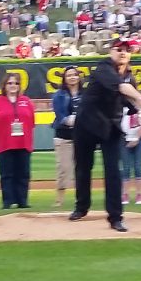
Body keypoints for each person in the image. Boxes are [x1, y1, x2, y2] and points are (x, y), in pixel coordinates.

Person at [69, 39, 141, 232]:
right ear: (111, 51)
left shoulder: (129, 76)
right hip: (86, 123)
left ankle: (115, 217)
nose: (123, 52)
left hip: (110, 127)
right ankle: (81, 207)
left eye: (127, 50)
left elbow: (127, 101)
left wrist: (136, 109)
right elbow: (121, 89)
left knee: (113, 171)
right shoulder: (104, 67)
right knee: (83, 168)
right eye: (119, 49)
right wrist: (140, 98)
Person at [0, 73, 35, 209]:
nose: (13, 86)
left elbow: (31, 122)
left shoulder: (26, 101)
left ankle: (22, 201)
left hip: (23, 142)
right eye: (10, 83)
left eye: (16, 83)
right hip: (5, 144)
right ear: (4, 86)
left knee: (23, 173)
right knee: (7, 174)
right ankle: (7, 201)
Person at [52, 66, 83, 207]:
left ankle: (81, 199)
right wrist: (72, 120)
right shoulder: (59, 95)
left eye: (74, 75)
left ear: (79, 77)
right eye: (69, 75)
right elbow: (60, 115)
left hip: (82, 137)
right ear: (64, 78)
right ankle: (59, 200)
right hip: (64, 135)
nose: (72, 77)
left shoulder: (85, 94)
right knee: (63, 169)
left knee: (82, 169)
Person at [121, 97, 141, 206]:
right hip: (124, 138)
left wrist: (136, 138)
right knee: (126, 167)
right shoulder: (120, 102)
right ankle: (125, 194)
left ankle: (139, 194)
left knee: (138, 166)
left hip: (139, 138)